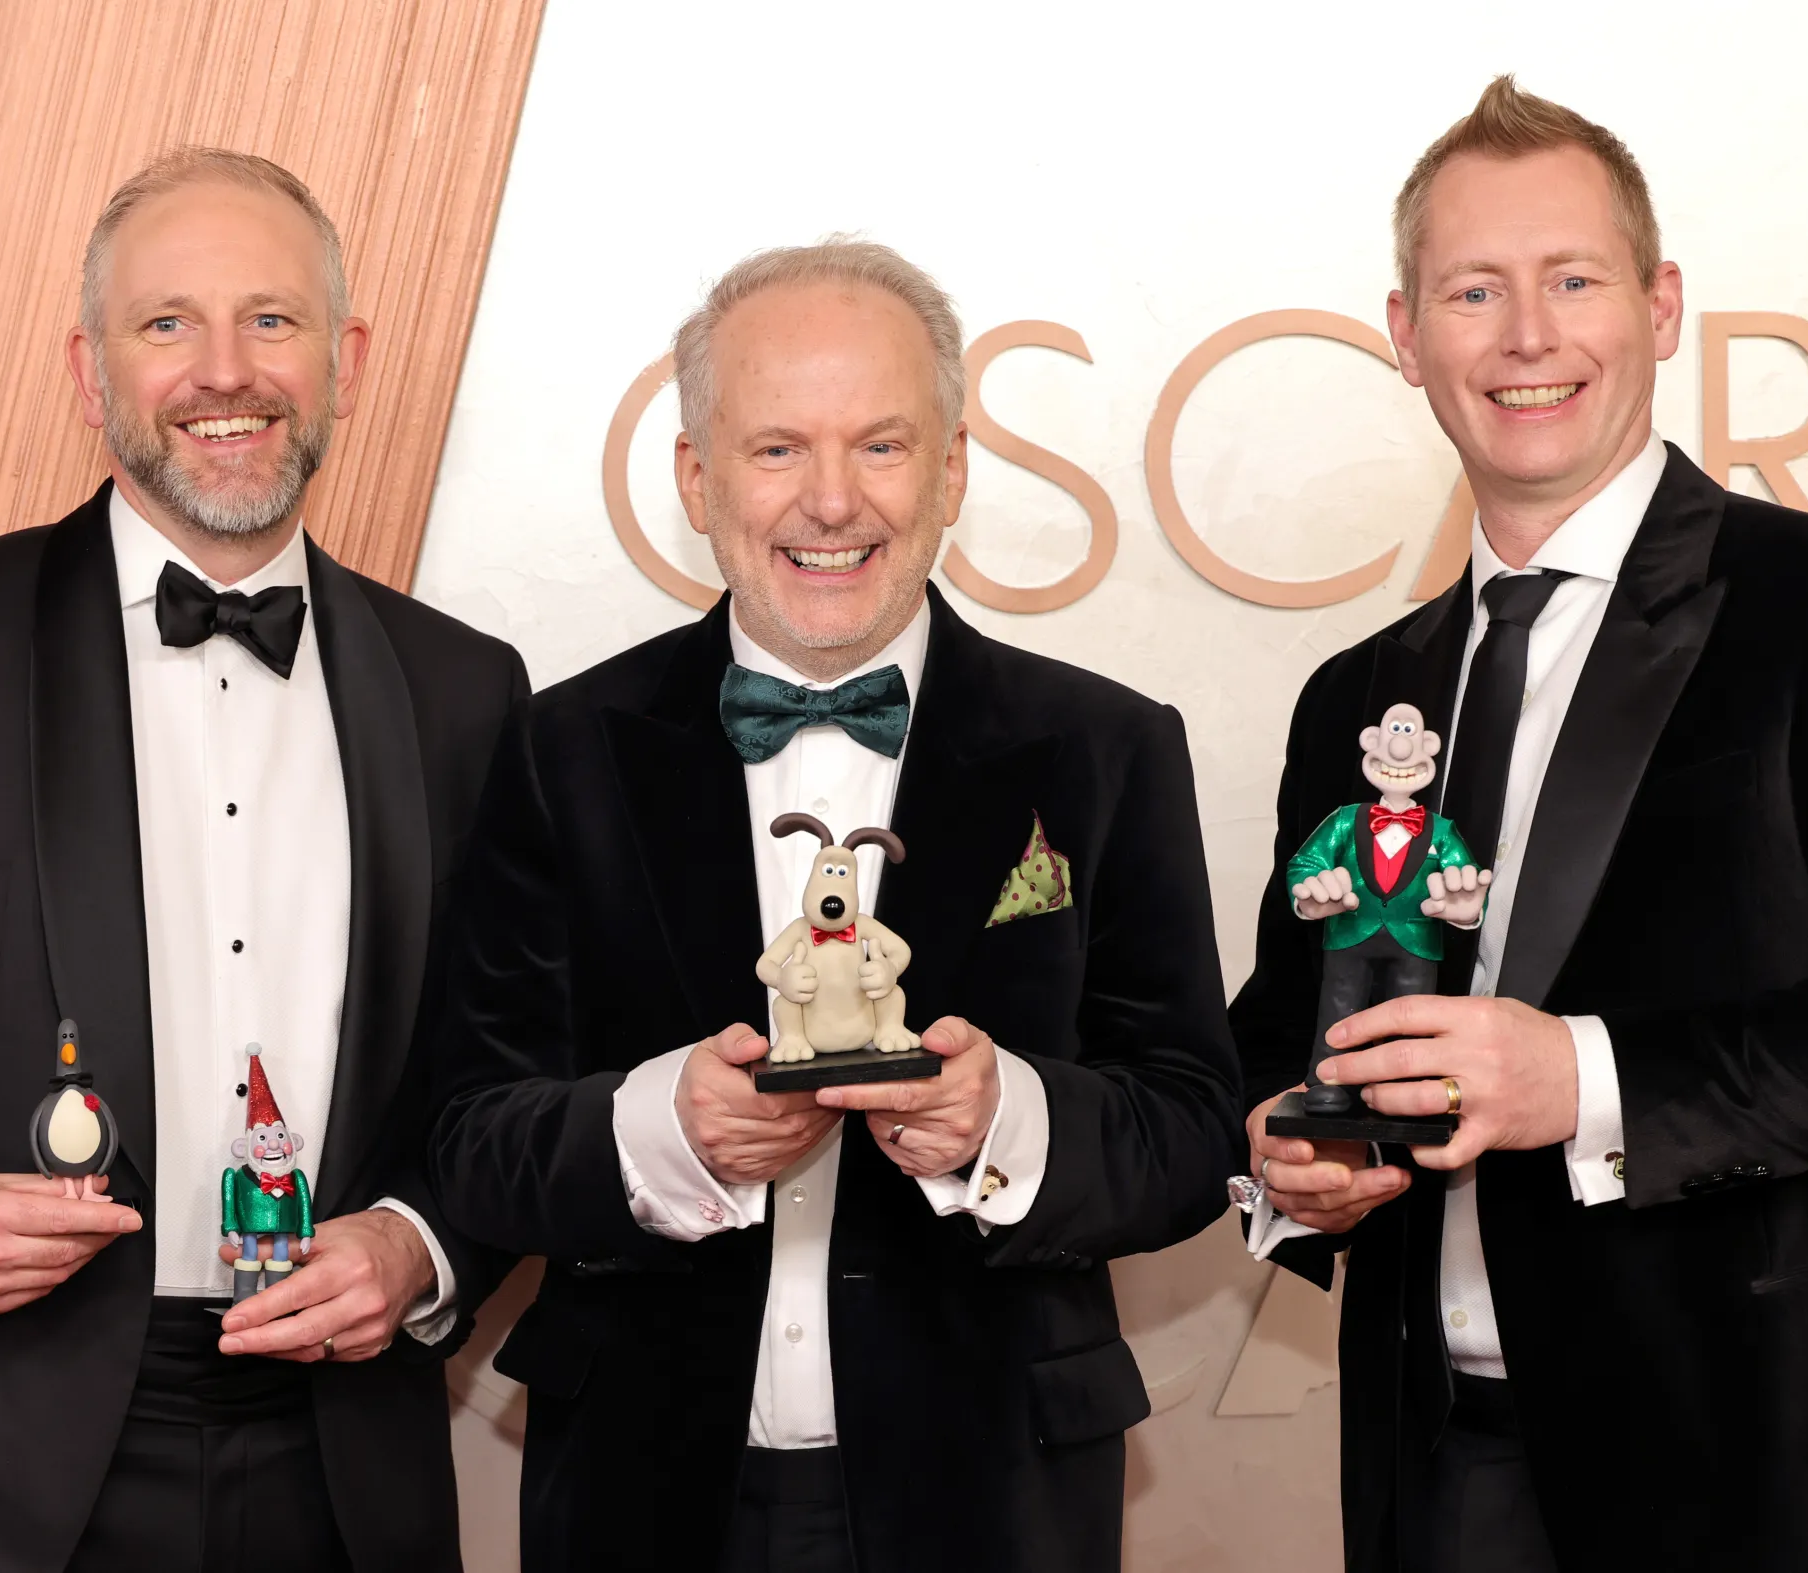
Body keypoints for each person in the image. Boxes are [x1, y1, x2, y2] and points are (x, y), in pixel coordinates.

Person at [0, 147, 525, 1572]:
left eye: (272, 320)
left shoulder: (467, 689)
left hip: (345, 1475)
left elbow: (504, 1066)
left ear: (346, 359)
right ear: (91, 371)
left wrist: (427, 1246)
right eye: (167, 325)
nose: (224, 372)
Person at [1232, 77, 1808, 1573]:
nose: (1527, 335)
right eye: (1475, 290)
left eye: (1572, 280)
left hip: (1761, 1477)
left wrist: (1586, 1078)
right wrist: (1281, 1159)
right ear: (1407, 338)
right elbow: (1289, 1026)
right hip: (1436, 1471)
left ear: (1660, 307)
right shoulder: (1361, 693)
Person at [429, 239, 1239, 1573]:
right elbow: (472, 1131)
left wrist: (1006, 1123)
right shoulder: (559, 748)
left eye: (879, 446)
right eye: (774, 451)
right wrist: (663, 1132)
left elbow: (1191, 1119)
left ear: (954, 469)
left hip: (996, 1500)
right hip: (640, 1494)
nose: (830, 502)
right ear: (696, 477)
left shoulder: (1104, 749)